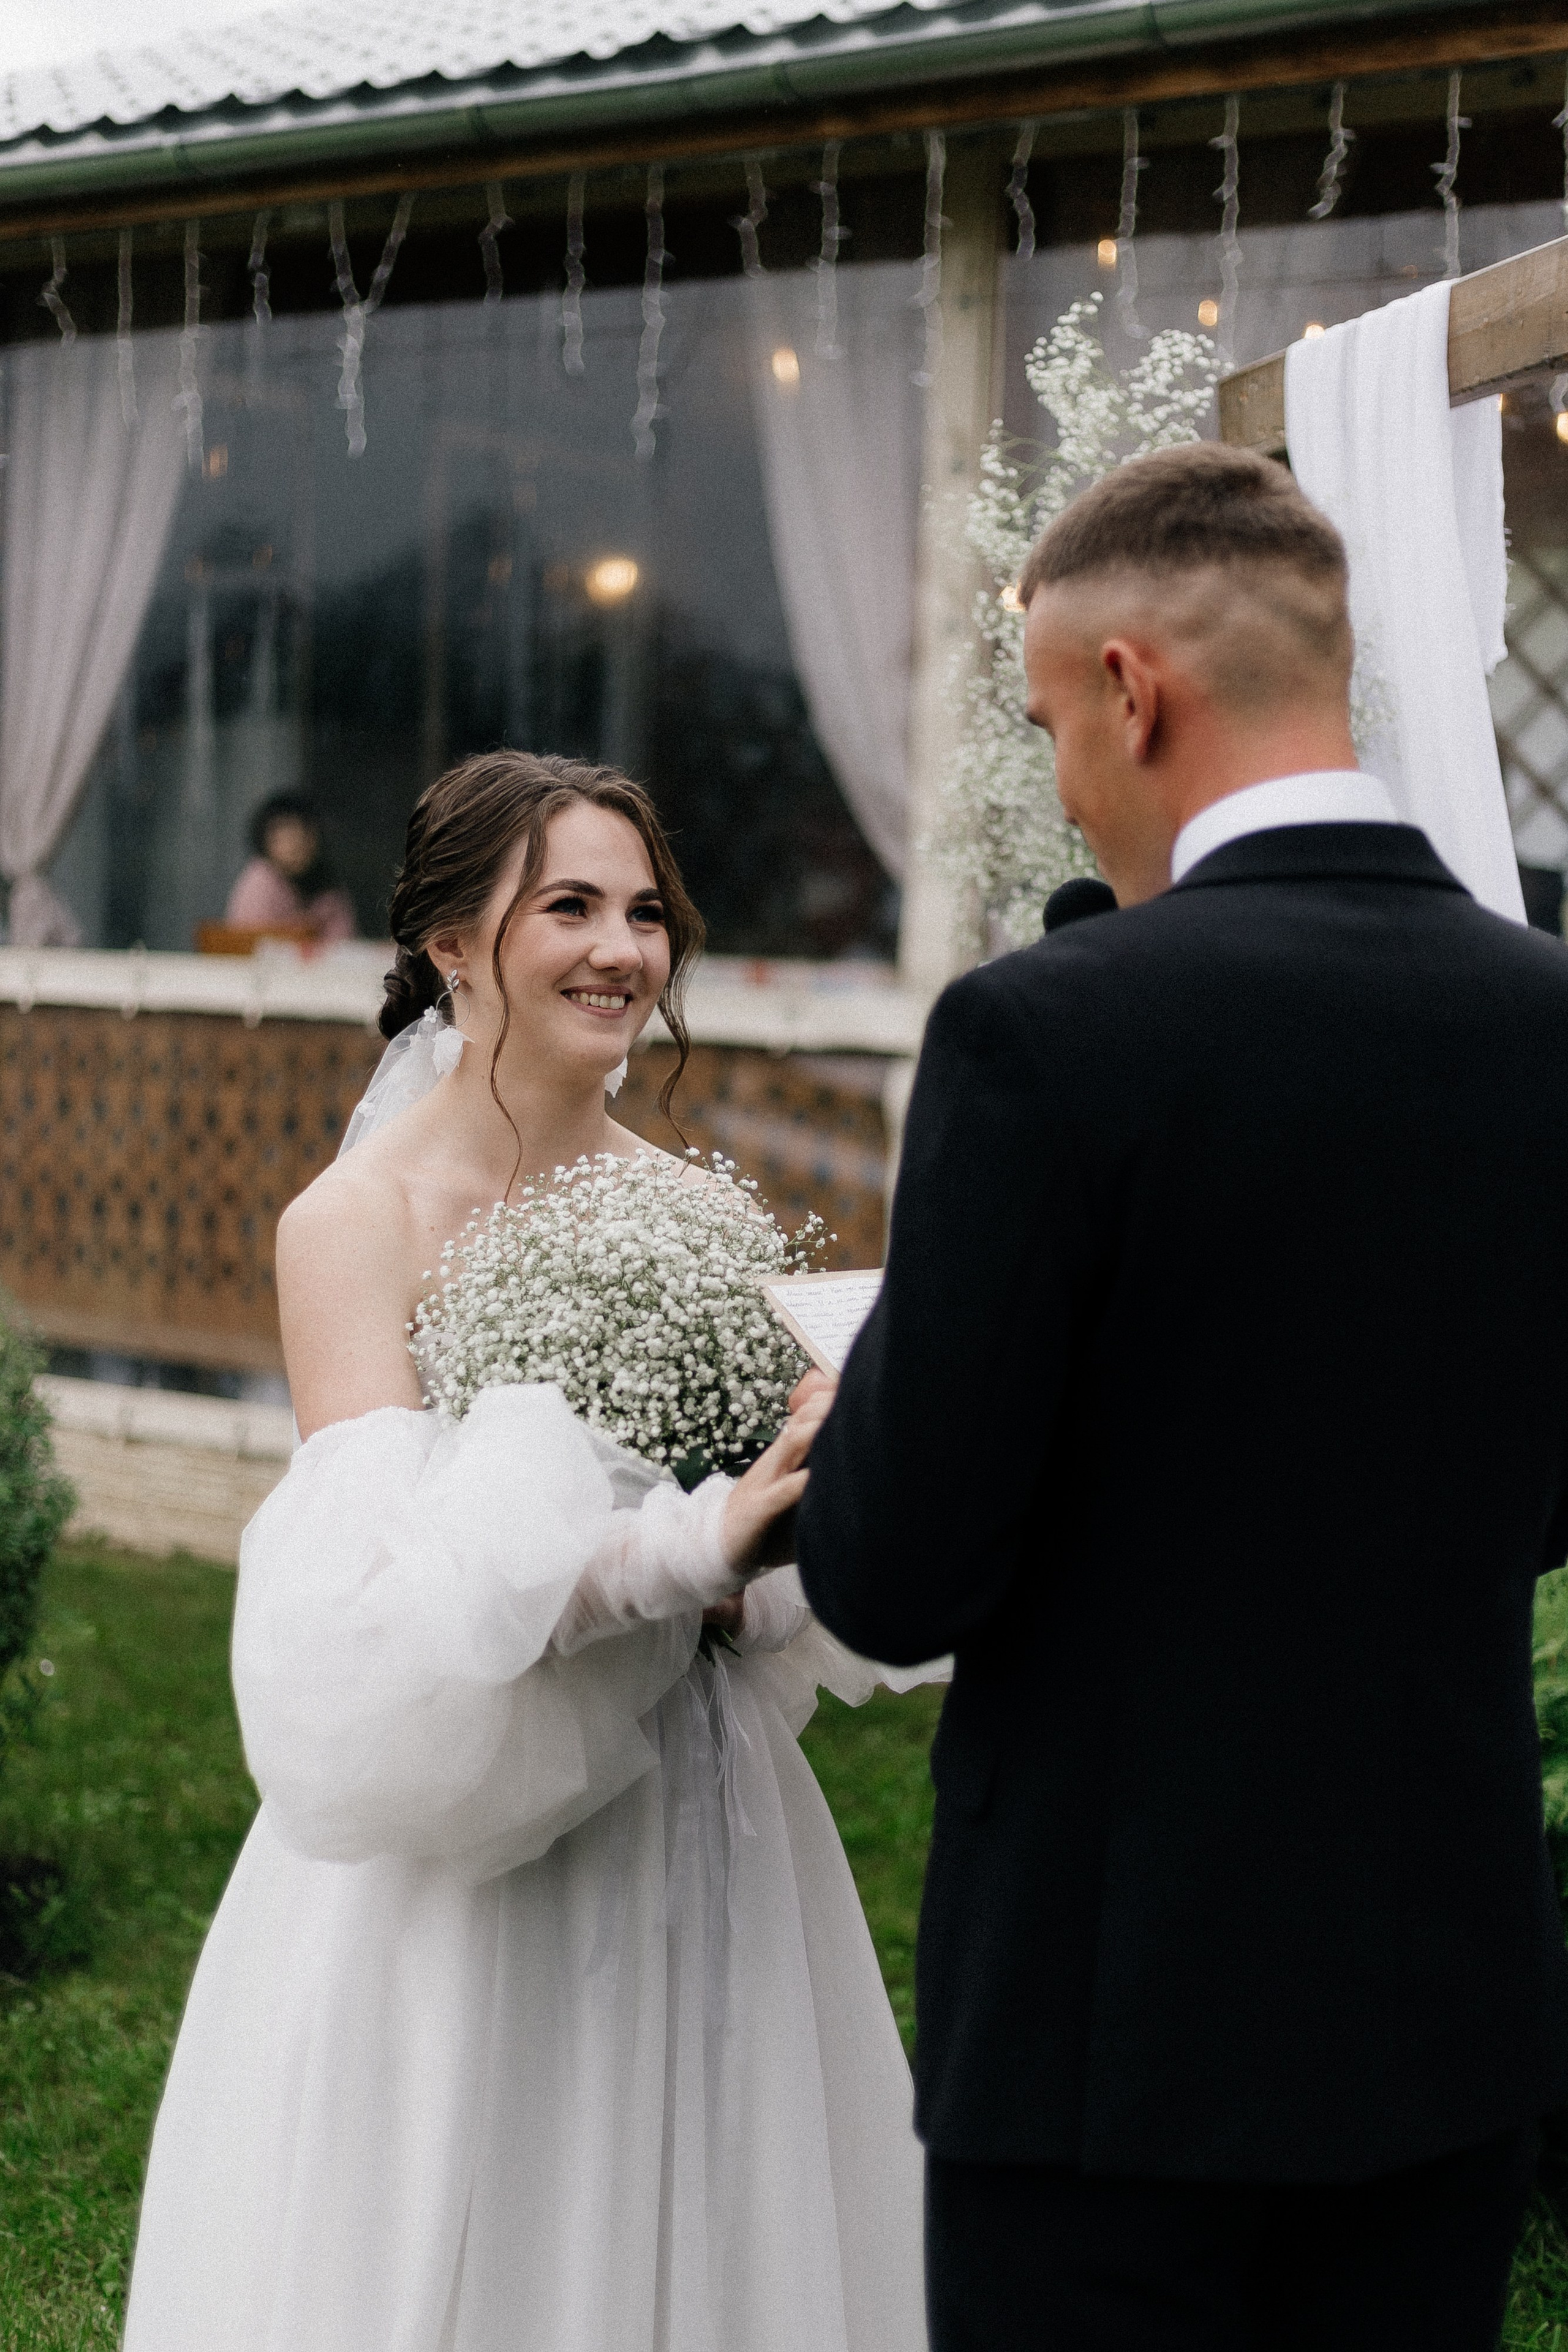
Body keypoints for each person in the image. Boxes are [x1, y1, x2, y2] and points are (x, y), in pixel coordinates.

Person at [797, 441, 1568, 2352]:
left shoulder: (1045, 1035)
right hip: (1444, 2004)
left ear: (1130, 691)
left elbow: (892, 1574)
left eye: (1050, 722)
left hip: (1112, 2029)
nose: (1065, 776)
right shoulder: (1549, 1022)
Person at [124, 752, 927, 2351]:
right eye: (569, 906)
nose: (623, 949)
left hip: (698, 1804)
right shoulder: (354, 1224)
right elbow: (384, 1611)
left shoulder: (702, 1218)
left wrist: (802, 1511)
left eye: (646, 911)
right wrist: (684, 1547)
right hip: (474, 1835)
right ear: (451, 943)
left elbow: (763, 1585)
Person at [224, 790, 356, 941]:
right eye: (285, 836)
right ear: (265, 841)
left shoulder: (328, 884)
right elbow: (249, 944)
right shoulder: (261, 881)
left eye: (304, 834)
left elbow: (344, 944)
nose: (295, 846)